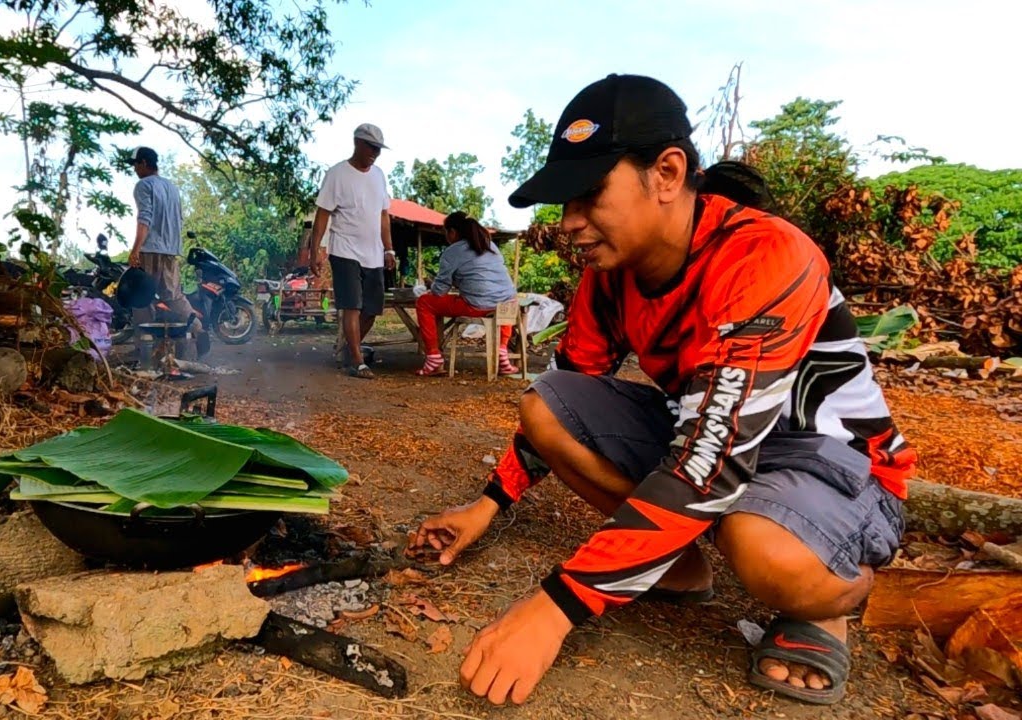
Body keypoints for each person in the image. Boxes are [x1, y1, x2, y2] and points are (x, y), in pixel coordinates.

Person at [408, 74, 916, 707]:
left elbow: (714, 465)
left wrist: (556, 607)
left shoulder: (766, 256)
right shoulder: (610, 278)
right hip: (711, 444)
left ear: (668, 173)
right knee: (545, 406)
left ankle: (830, 599)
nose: (569, 223)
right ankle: (677, 562)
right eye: (564, 202)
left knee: (760, 549)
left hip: (830, 464)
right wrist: (485, 508)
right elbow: (580, 391)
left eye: (589, 195)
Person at [309, 123, 396, 379]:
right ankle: (357, 361)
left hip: (373, 253)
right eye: (371, 147)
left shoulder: (379, 175)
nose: (375, 153)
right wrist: (315, 251)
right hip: (344, 249)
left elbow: (383, 216)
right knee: (352, 306)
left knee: (372, 308)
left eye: (379, 149)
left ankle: (349, 349)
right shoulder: (337, 174)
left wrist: (389, 249)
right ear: (357, 142)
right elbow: (322, 215)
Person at [414, 211, 519, 377]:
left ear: (453, 232)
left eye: (446, 233)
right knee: (504, 301)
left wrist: (432, 287)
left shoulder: (452, 251)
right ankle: (502, 353)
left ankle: (433, 357)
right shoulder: (490, 245)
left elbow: (439, 291)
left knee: (424, 302)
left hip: (477, 306)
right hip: (508, 305)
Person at [126, 146, 191, 373]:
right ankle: (198, 331)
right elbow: (179, 219)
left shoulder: (143, 186)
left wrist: (136, 249)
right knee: (173, 297)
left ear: (144, 163)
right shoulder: (171, 187)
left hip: (151, 248)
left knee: (141, 299)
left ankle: (144, 351)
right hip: (171, 250)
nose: (134, 169)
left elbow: (144, 218)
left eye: (135, 164)